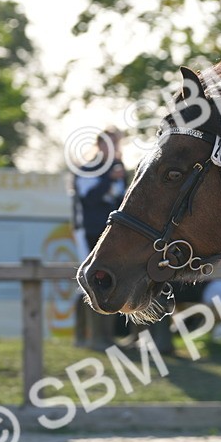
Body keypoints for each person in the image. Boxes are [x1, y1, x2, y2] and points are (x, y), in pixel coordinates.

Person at [71, 128, 127, 350]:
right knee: (89, 278)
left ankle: (106, 336)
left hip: (110, 232)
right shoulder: (88, 169)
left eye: (116, 144)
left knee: (110, 279)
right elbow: (89, 199)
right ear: (100, 145)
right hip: (89, 230)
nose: (114, 149)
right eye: (109, 143)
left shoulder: (119, 169)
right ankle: (84, 336)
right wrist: (107, 179)